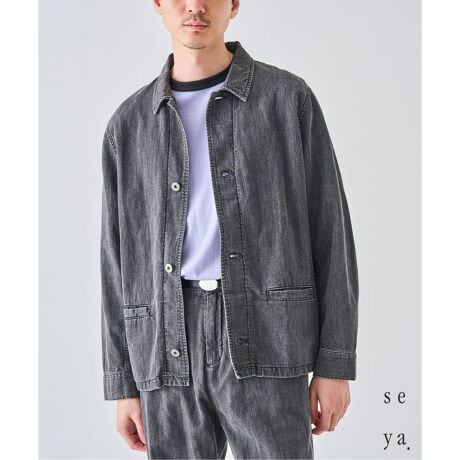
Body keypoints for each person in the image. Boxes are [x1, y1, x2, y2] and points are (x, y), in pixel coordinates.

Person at [100, 1, 359, 458]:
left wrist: (334, 363)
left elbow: (331, 234)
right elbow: (116, 261)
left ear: (234, 4)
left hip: (269, 333)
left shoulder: (287, 100)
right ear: (157, 4)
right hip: (165, 344)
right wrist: (123, 382)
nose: (195, 6)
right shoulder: (129, 125)